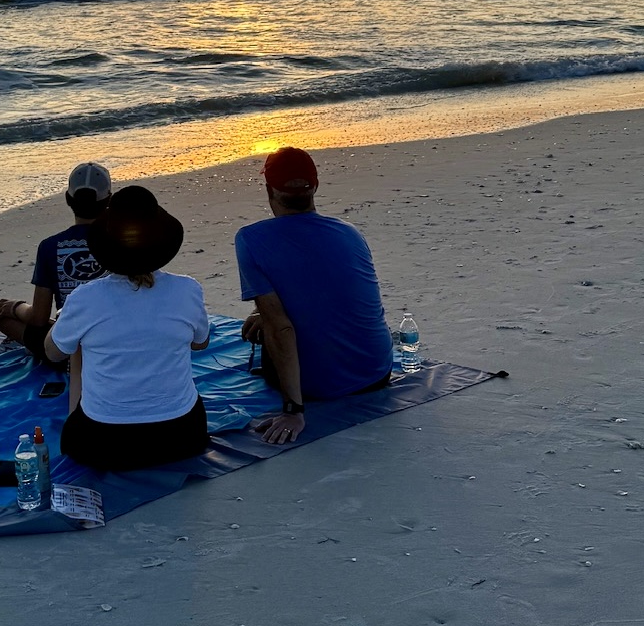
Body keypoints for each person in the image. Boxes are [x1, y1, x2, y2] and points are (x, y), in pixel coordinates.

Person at [44, 185, 211, 471]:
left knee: (77, 343)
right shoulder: (187, 290)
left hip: (103, 443)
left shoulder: (86, 297)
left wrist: (65, 318)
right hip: (183, 436)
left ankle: (75, 416)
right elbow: (200, 343)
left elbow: (53, 353)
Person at [235, 146, 394, 444]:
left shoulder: (250, 239)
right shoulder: (349, 233)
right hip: (376, 372)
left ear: (269, 189)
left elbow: (281, 329)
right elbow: (331, 291)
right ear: (315, 186)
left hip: (316, 387)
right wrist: (263, 313)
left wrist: (293, 410)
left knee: (271, 325)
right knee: (267, 317)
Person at [0, 161, 111, 362]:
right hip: (114, 341)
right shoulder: (120, 243)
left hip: (67, 350)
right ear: (108, 200)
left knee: (2, 318)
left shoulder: (50, 246)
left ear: (67, 199)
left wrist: (16, 306)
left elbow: (38, 317)